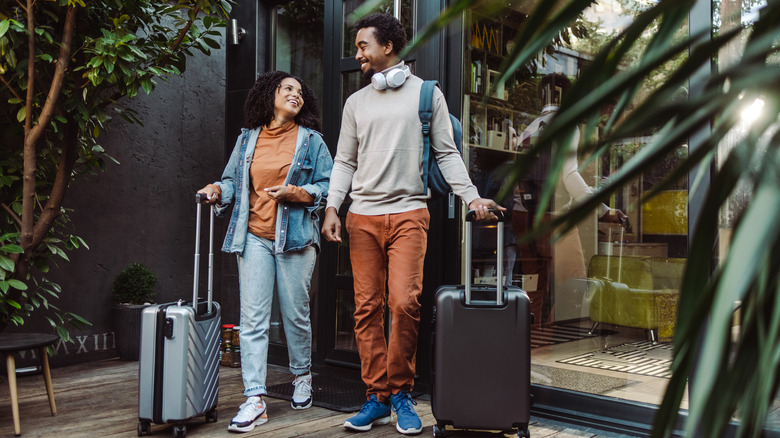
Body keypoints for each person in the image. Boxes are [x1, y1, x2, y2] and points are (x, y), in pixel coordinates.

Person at [320, 13, 503, 436]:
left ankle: (401, 392)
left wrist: (471, 196)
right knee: (366, 308)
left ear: (388, 46)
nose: (357, 52)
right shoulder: (355, 103)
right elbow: (345, 160)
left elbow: (447, 153)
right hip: (361, 216)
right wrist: (333, 207)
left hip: (408, 214)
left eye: (364, 45)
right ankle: (376, 397)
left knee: (404, 304)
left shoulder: (426, 95)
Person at [197, 71, 333, 433]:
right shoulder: (247, 139)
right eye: (287, 88)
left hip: (295, 238)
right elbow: (231, 182)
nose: (295, 95)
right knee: (253, 319)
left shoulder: (311, 141)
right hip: (253, 236)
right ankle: (255, 398)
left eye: (300, 92)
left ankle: (301, 375)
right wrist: (216, 189)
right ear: (267, 95)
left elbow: (328, 184)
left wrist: (299, 194)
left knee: (295, 314)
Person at [513, 73, 626, 324]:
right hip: (555, 217)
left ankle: (531, 342)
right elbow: (570, 176)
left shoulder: (527, 130)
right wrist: (603, 210)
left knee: (534, 283)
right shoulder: (567, 125)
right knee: (573, 281)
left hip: (523, 216)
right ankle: (559, 344)